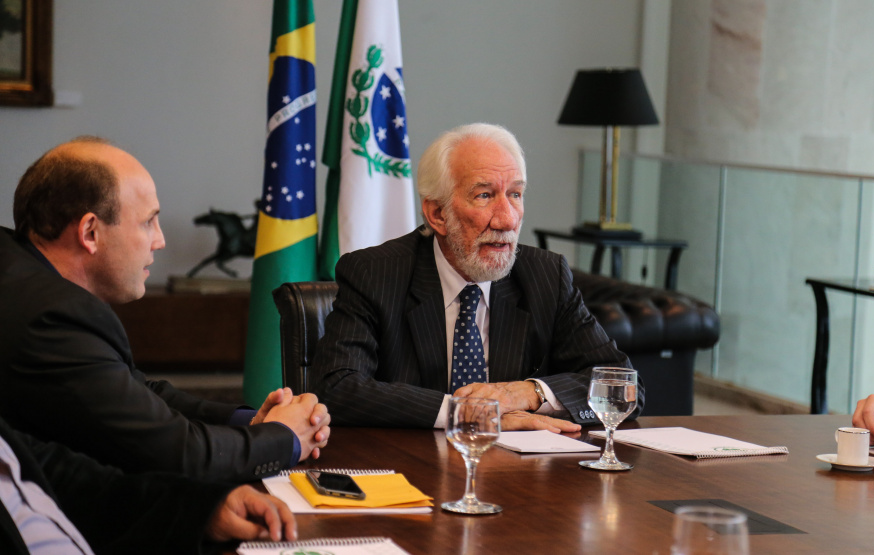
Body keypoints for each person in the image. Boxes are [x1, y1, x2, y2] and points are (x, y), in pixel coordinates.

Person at [0, 137, 330, 482]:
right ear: (90, 232)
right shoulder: (53, 318)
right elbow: (177, 454)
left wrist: (250, 422)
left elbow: (136, 390)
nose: (160, 240)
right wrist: (286, 438)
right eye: (148, 222)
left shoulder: (21, 272)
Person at [313, 123, 644, 430]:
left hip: (519, 478)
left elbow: (625, 389)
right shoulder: (375, 273)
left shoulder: (546, 275)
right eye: (484, 195)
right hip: (410, 471)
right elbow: (337, 388)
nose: (507, 220)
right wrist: (471, 414)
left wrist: (531, 394)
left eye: (515, 194)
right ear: (438, 214)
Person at [0, 415, 297, 555]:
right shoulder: (53, 315)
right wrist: (281, 433)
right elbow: (176, 450)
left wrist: (207, 509)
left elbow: (77, 482)